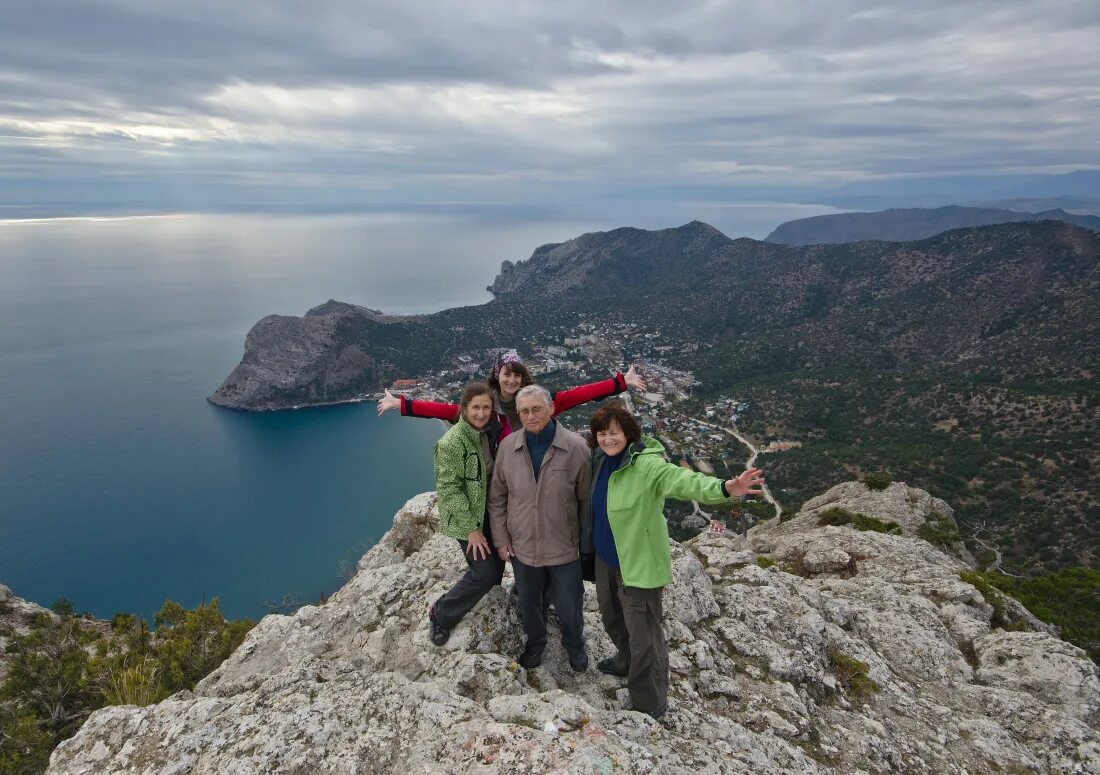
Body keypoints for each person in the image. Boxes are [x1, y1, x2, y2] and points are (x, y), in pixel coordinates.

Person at [583, 401, 765, 719]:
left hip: (636, 563)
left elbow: (685, 482)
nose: (607, 439)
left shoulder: (647, 466)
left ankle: (649, 703)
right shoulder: (599, 460)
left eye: (613, 433)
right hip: (605, 560)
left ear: (628, 434)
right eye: (601, 433)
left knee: (645, 639)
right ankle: (624, 660)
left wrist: (725, 487)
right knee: (612, 618)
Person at [488, 384, 592, 671]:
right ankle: (536, 644)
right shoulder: (508, 447)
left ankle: (575, 646)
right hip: (523, 548)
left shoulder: (576, 448)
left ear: (551, 408)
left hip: (563, 548)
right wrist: (501, 539)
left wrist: (583, 544)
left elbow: (586, 502)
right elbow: (497, 498)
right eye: (524, 411)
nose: (530, 416)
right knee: (530, 604)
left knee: (570, 607)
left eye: (536, 409)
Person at [377, 349, 646, 437]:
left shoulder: (538, 401)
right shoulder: (486, 404)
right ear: (498, 375)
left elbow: (579, 395)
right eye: (507, 374)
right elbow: (448, 411)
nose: (512, 380)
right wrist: (401, 404)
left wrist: (621, 382)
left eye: (517, 375)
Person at [426, 382, 505, 647]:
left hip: (489, 511)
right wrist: (473, 529)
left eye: (486, 407)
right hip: (466, 518)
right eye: (475, 408)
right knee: (484, 572)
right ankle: (441, 614)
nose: (481, 413)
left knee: (494, 573)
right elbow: (450, 489)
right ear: (464, 408)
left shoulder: (488, 433)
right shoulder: (451, 442)